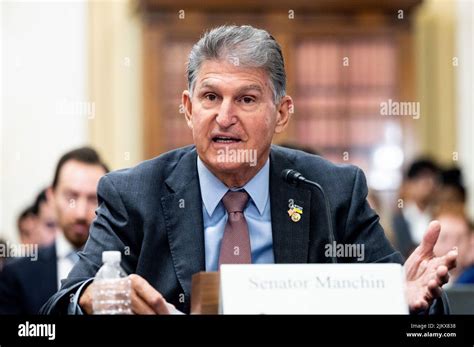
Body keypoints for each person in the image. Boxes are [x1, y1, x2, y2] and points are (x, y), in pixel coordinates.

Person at [42, 25, 456, 316]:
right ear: (188, 109)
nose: (224, 117)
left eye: (246, 99)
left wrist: (411, 302)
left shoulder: (331, 191)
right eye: (210, 97)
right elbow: (58, 309)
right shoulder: (134, 194)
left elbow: (404, 297)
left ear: (281, 113)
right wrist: (93, 299)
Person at [0, 147, 108, 314]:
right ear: (51, 196)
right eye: (71, 197)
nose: (80, 212)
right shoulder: (17, 275)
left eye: (93, 198)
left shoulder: (128, 268)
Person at [393, 159, 441, 258]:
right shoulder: (396, 218)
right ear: (409, 184)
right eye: (423, 179)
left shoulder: (439, 216)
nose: (429, 184)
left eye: (432, 179)